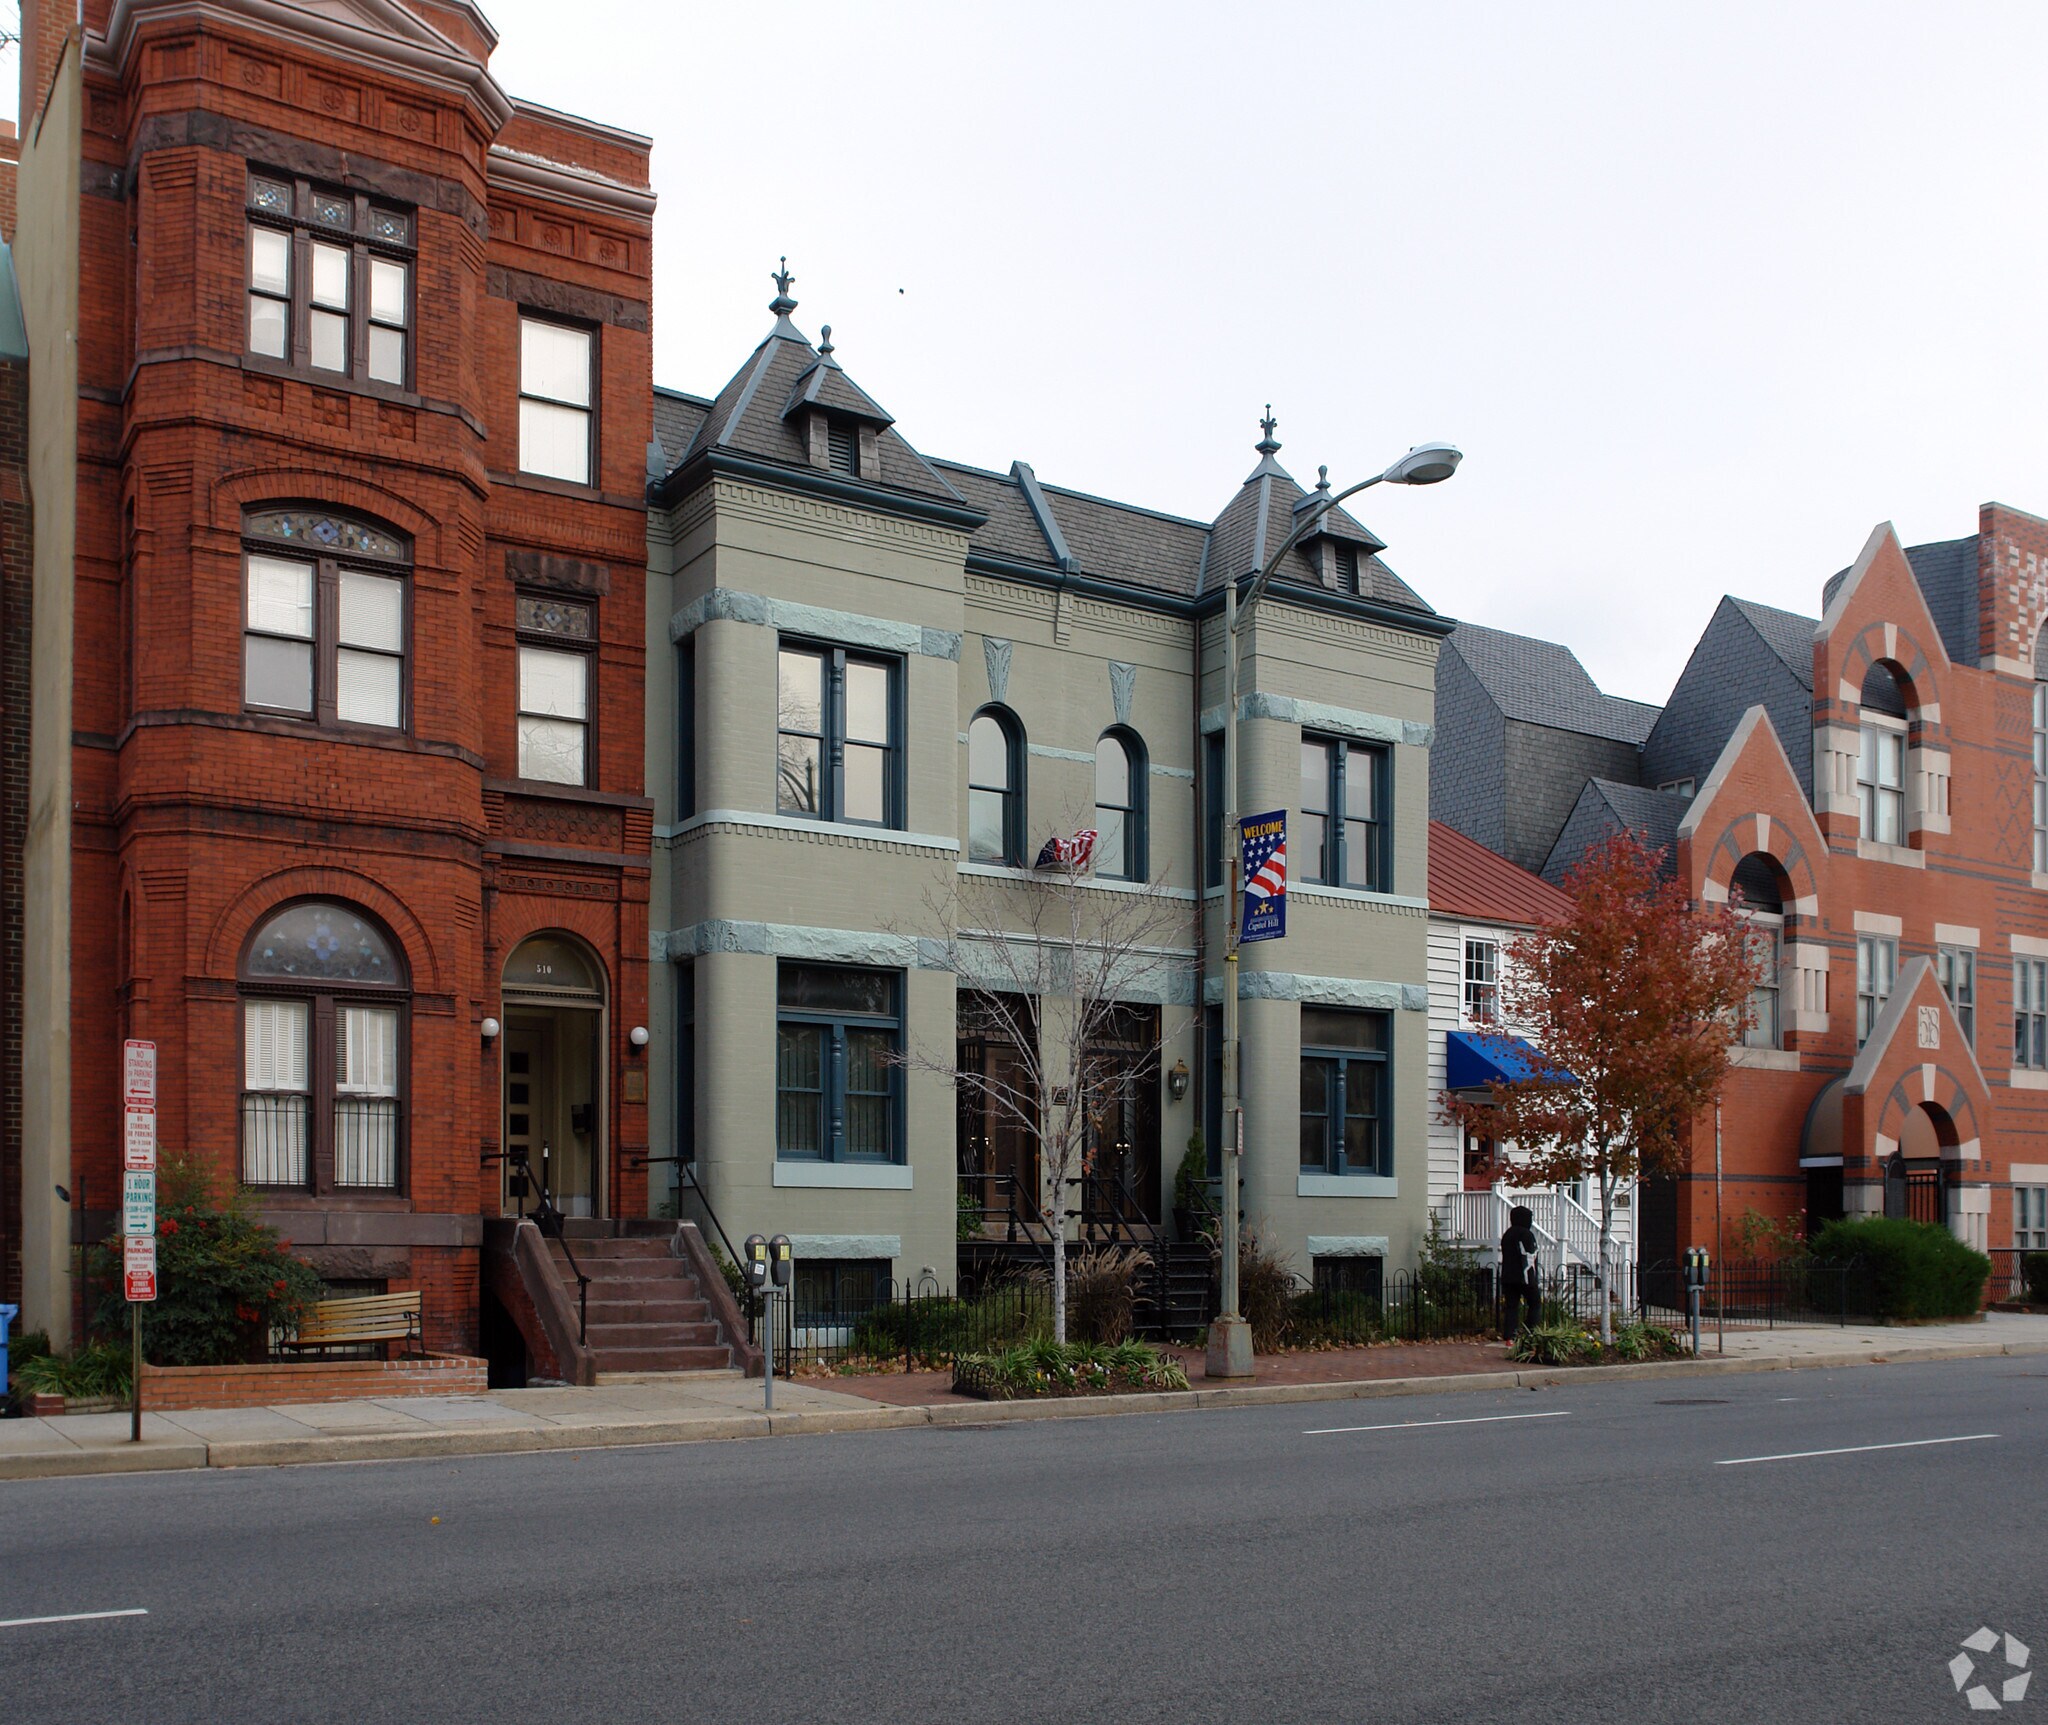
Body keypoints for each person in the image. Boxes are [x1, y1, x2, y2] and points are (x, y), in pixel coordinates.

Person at [1499, 1204, 1541, 1341]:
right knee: (1535, 1303)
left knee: (1512, 1306)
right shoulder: (1526, 1234)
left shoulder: (1507, 1234)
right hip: (1525, 1276)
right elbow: (1530, 1256)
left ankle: (1510, 1337)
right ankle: (1530, 1333)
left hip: (1508, 1276)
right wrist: (1532, 1278)